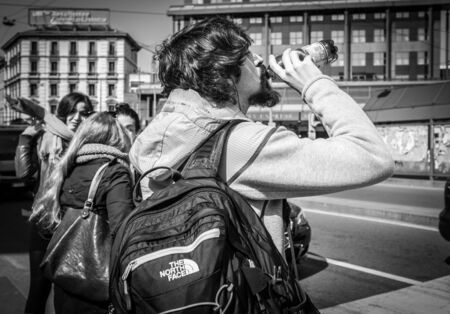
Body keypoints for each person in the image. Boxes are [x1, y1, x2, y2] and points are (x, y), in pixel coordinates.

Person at [129, 17, 394, 253]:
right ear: (222, 68)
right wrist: (313, 83)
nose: (258, 60)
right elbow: (372, 156)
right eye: (247, 53)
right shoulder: (240, 143)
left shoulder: (163, 131)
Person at [30, 112, 134, 314]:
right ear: (117, 139)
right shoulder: (114, 171)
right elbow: (123, 230)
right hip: (98, 286)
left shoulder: (66, 168)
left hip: (65, 281)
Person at [14, 92, 93, 314]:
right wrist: (26, 138)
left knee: (67, 294)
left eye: (84, 113)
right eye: (72, 112)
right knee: (38, 291)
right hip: (44, 220)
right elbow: (24, 173)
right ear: (62, 113)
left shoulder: (88, 145)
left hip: (73, 224)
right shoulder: (45, 138)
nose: (77, 118)